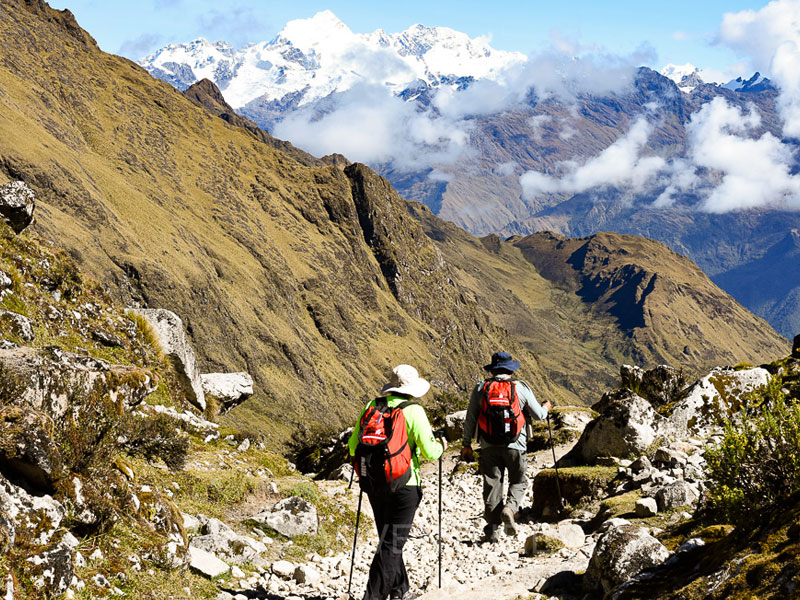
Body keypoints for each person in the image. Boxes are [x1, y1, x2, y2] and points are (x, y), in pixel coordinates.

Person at [348, 364, 446, 600]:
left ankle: (399, 590)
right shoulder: (414, 411)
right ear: (412, 389)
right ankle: (372, 597)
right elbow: (431, 452)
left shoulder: (371, 407)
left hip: (374, 484)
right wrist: (442, 444)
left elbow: (353, 445)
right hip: (405, 486)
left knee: (389, 539)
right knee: (392, 543)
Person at [460, 351, 550, 543]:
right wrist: (546, 407)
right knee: (519, 481)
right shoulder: (520, 388)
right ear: (510, 370)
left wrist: (466, 444)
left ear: (493, 370)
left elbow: (470, 418)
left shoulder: (481, 388)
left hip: (488, 445)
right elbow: (539, 415)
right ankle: (510, 508)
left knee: (492, 485)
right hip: (516, 444)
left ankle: (492, 532)